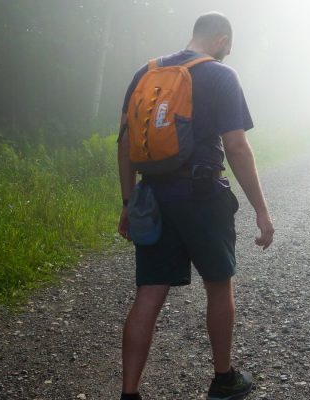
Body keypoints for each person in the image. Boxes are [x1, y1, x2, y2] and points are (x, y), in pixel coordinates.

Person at [116, 12, 274, 400]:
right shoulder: (221, 75)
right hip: (203, 197)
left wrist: (127, 201)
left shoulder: (145, 73)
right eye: (229, 48)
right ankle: (224, 380)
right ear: (221, 40)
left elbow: (123, 143)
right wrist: (261, 209)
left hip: (153, 195)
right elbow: (236, 146)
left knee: (149, 292)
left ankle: (129, 393)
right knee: (218, 286)